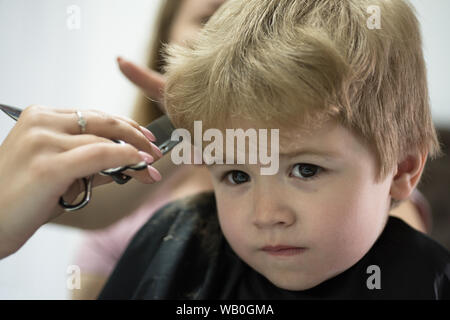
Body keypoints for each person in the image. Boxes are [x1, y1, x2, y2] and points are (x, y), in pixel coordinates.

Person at [98, 0, 450, 299]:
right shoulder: (174, 246)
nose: (266, 215)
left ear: (402, 168)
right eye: (237, 175)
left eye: (305, 170)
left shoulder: (426, 280)